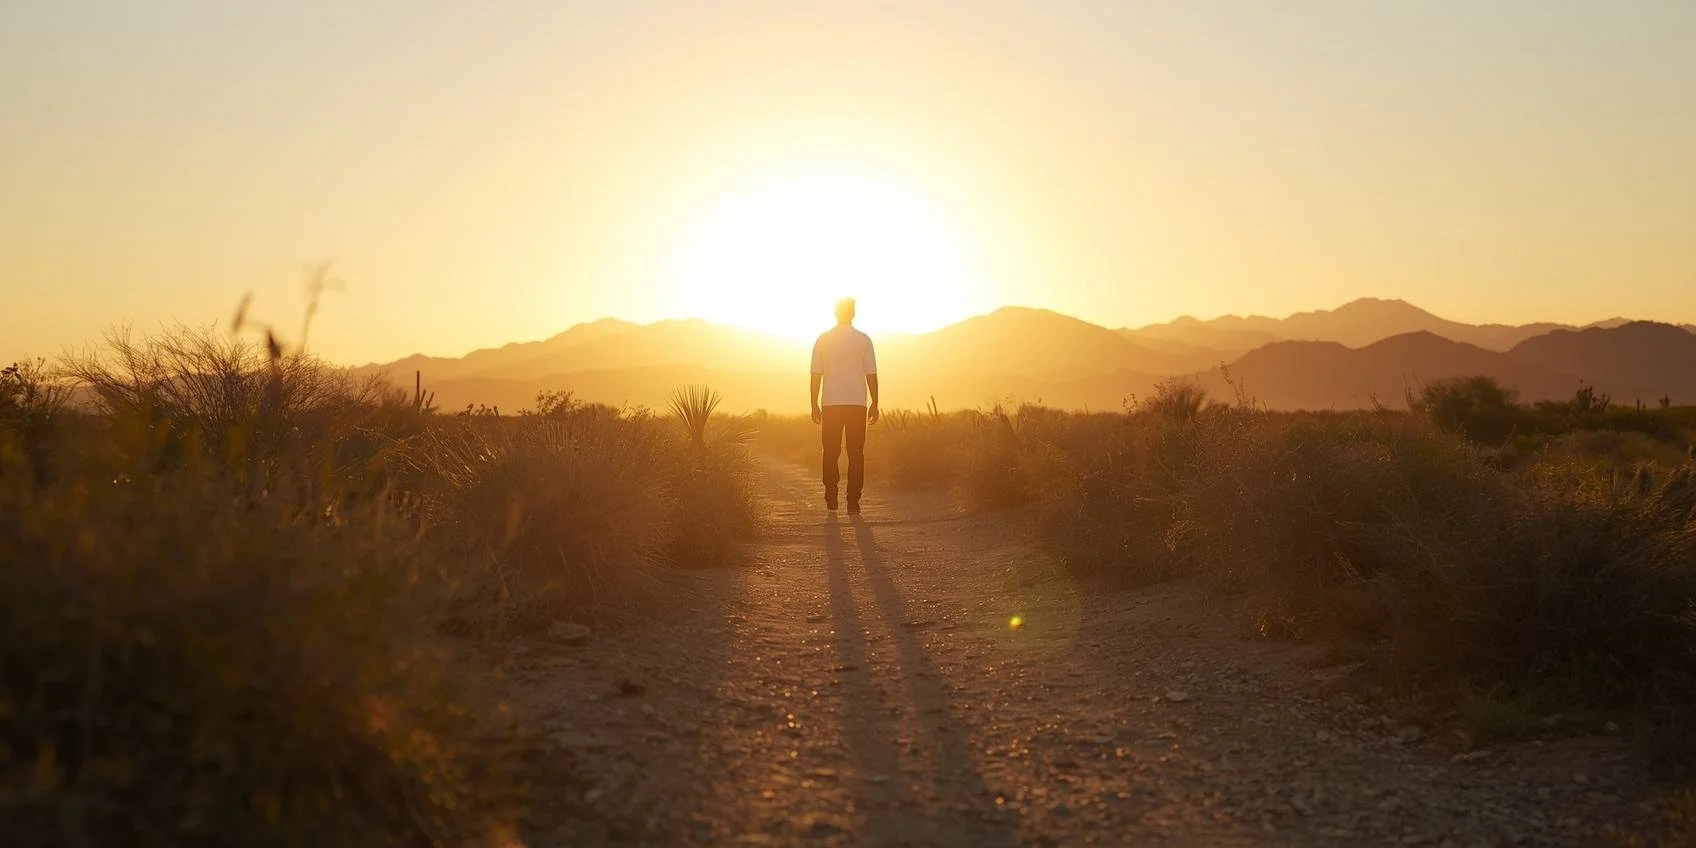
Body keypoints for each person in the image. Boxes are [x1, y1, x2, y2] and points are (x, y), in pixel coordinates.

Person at [810, 297, 879, 514]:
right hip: (857, 404)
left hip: (830, 403)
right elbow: (872, 374)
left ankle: (831, 493)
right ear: (854, 313)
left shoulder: (823, 339)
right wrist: (875, 403)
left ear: (835, 312)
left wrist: (814, 403)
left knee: (830, 450)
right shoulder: (864, 340)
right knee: (856, 452)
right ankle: (853, 502)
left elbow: (815, 375)